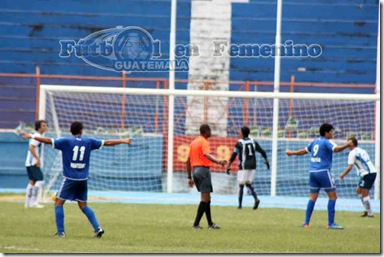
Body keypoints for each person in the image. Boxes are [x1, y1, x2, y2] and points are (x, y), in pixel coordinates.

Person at [23, 121, 132, 238]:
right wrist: (123, 141)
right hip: (83, 179)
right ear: (81, 130)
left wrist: (32, 136)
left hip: (70, 178)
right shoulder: (88, 141)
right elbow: (107, 142)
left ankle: (61, 233)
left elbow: (48, 140)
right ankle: (98, 228)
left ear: (70, 131)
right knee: (83, 205)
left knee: (58, 203)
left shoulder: (66, 141)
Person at [285, 123, 352, 229]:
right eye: (331, 131)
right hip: (323, 172)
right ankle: (331, 223)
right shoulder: (327, 142)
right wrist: (347, 145)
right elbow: (337, 149)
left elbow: (304, 151)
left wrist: (291, 153)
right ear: (326, 133)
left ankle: (306, 223)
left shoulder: (315, 141)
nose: (332, 133)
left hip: (312, 172)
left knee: (312, 197)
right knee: (333, 196)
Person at [186, 124, 227, 229]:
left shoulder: (193, 142)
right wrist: (219, 161)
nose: (211, 133)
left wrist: (189, 177)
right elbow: (207, 154)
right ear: (206, 131)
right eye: (210, 131)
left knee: (207, 198)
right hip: (203, 170)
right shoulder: (204, 142)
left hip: (195, 170)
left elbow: (187, 160)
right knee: (205, 199)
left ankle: (210, 224)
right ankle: (195, 224)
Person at [226, 126, 270, 209]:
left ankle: (240, 205)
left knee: (241, 185)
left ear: (241, 133)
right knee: (248, 183)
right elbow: (262, 151)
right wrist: (267, 161)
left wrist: (228, 165)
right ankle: (256, 198)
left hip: (244, 166)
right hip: (253, 166)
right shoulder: (253, 142)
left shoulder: (239, 143)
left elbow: (234, 155)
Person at [339, 137, 377, 218]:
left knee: (364, 193)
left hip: (368, 173)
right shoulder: (362, 150)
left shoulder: (352, 153)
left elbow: (350, 167)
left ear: (352, 144)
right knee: (358, 190)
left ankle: (370, 213)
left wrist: (343, 174)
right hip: (367, 173)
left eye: (348, 143)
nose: (347, 144)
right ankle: (367, 210)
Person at [24, 120, 48, 208]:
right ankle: (34, 201)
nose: (46, 127)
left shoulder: (36, 135)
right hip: (32, 162)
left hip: (28, 163)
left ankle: (27, 202)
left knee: (32, 181)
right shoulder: (37, 136)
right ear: (39, 127)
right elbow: (31, 148)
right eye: (44, 126)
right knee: (40, 180)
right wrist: (37, 159)